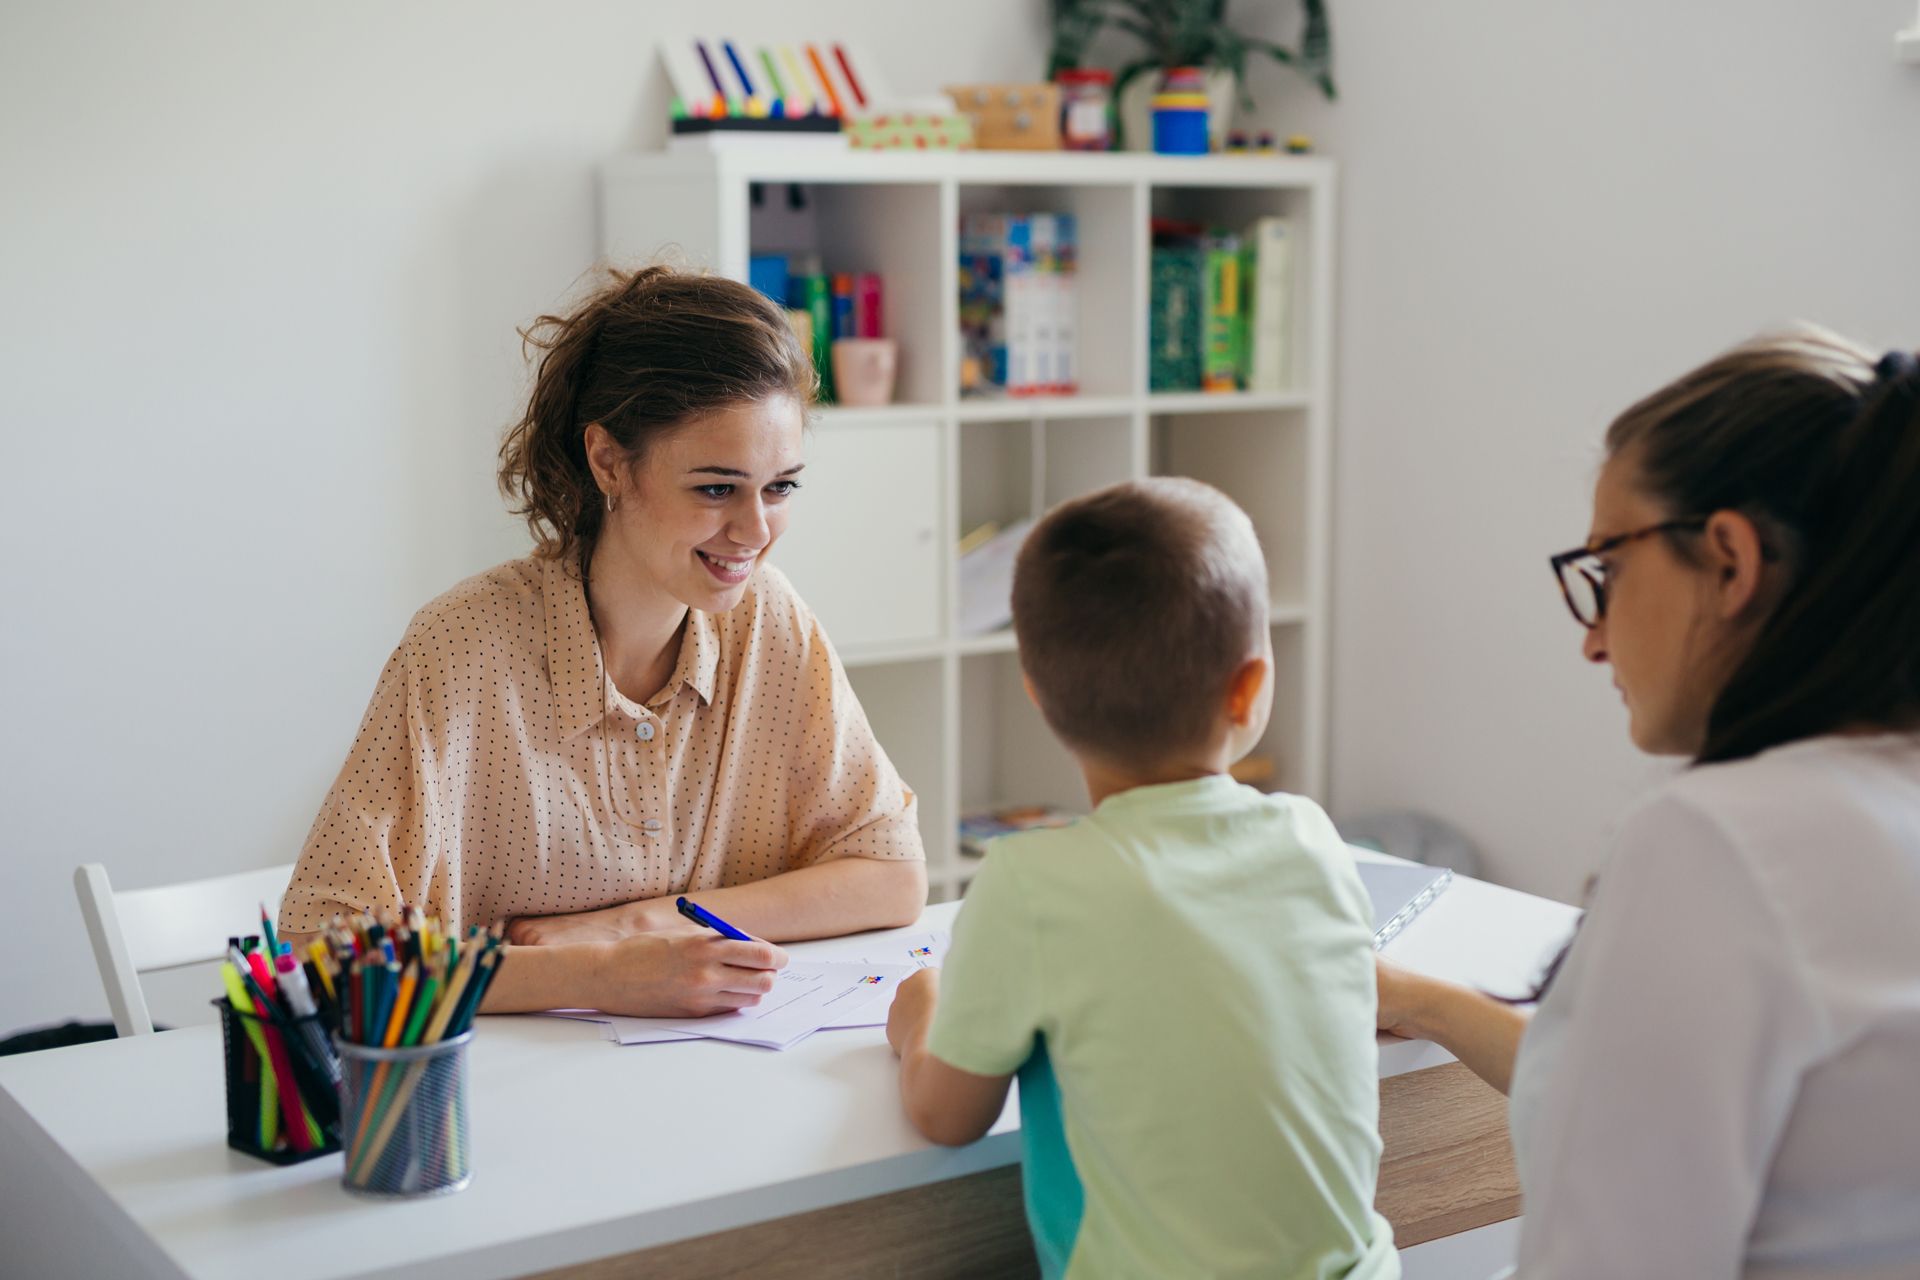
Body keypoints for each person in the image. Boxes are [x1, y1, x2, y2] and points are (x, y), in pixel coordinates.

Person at [1377, 328, 1920, 1275]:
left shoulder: (1722, 846)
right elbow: (1647, 1086)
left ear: (1729, 561)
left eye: (1607, 572)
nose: (1593, 641)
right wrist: (1424, 1004)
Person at [278, 266, 927, 1016]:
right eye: (717, 488)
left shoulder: (769, 622)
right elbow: (324, 959)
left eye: (780, 487)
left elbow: (890, 872)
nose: (755, 531)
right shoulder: (462, 647)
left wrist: (642, 924)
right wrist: (599, 976)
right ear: (608, 461)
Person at [887, 479, 1399, 1279]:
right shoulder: (1312, 839)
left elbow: (947, 1115)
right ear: (1251, 687)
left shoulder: (1030, 886)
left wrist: (920, 1010)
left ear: (1036, 695)